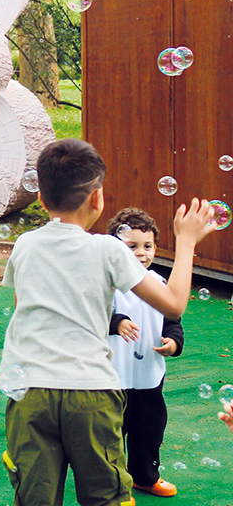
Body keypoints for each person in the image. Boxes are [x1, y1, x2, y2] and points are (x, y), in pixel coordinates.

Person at [0, 138, 215, 506]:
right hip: (90, 393)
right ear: (97, 198)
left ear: (41, 199)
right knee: (106, 496)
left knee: (34, 497)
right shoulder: (109, 249)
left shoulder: (25, 245)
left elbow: (23, 309)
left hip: (29, 391)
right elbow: (174, 305)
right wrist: (187, 242)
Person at [106, 208, 184, 498]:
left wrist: (173, 343)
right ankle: (113, 485)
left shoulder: (160, 285)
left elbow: (172, 322)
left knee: (149, 431)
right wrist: (117, 322)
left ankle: (145, 477)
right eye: (132, 246)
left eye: (148, 246)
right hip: (113, 377)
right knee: (110, 435)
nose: (141, 253)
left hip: (149, 377)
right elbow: (94, 316)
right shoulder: (108, 285)